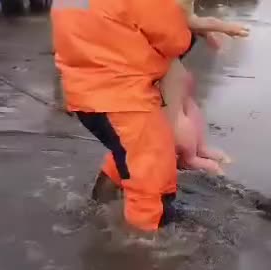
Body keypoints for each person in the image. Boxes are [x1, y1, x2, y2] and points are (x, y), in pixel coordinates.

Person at [50, 0, 192, 231]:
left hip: (85, 94)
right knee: (149, 174)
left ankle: (98, 206)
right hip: (123, 96)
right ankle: (143, 247)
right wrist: (189, 25)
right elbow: (174, 40)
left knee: (129, 154)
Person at [160, 0, 249, 176]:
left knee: (185, 103)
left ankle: (201, 153)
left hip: (179, 122)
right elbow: (189, 20)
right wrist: (223, 27)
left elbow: (187, 19)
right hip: (182, 118)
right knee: (179, 111)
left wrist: (210, 31)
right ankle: (196, 156)